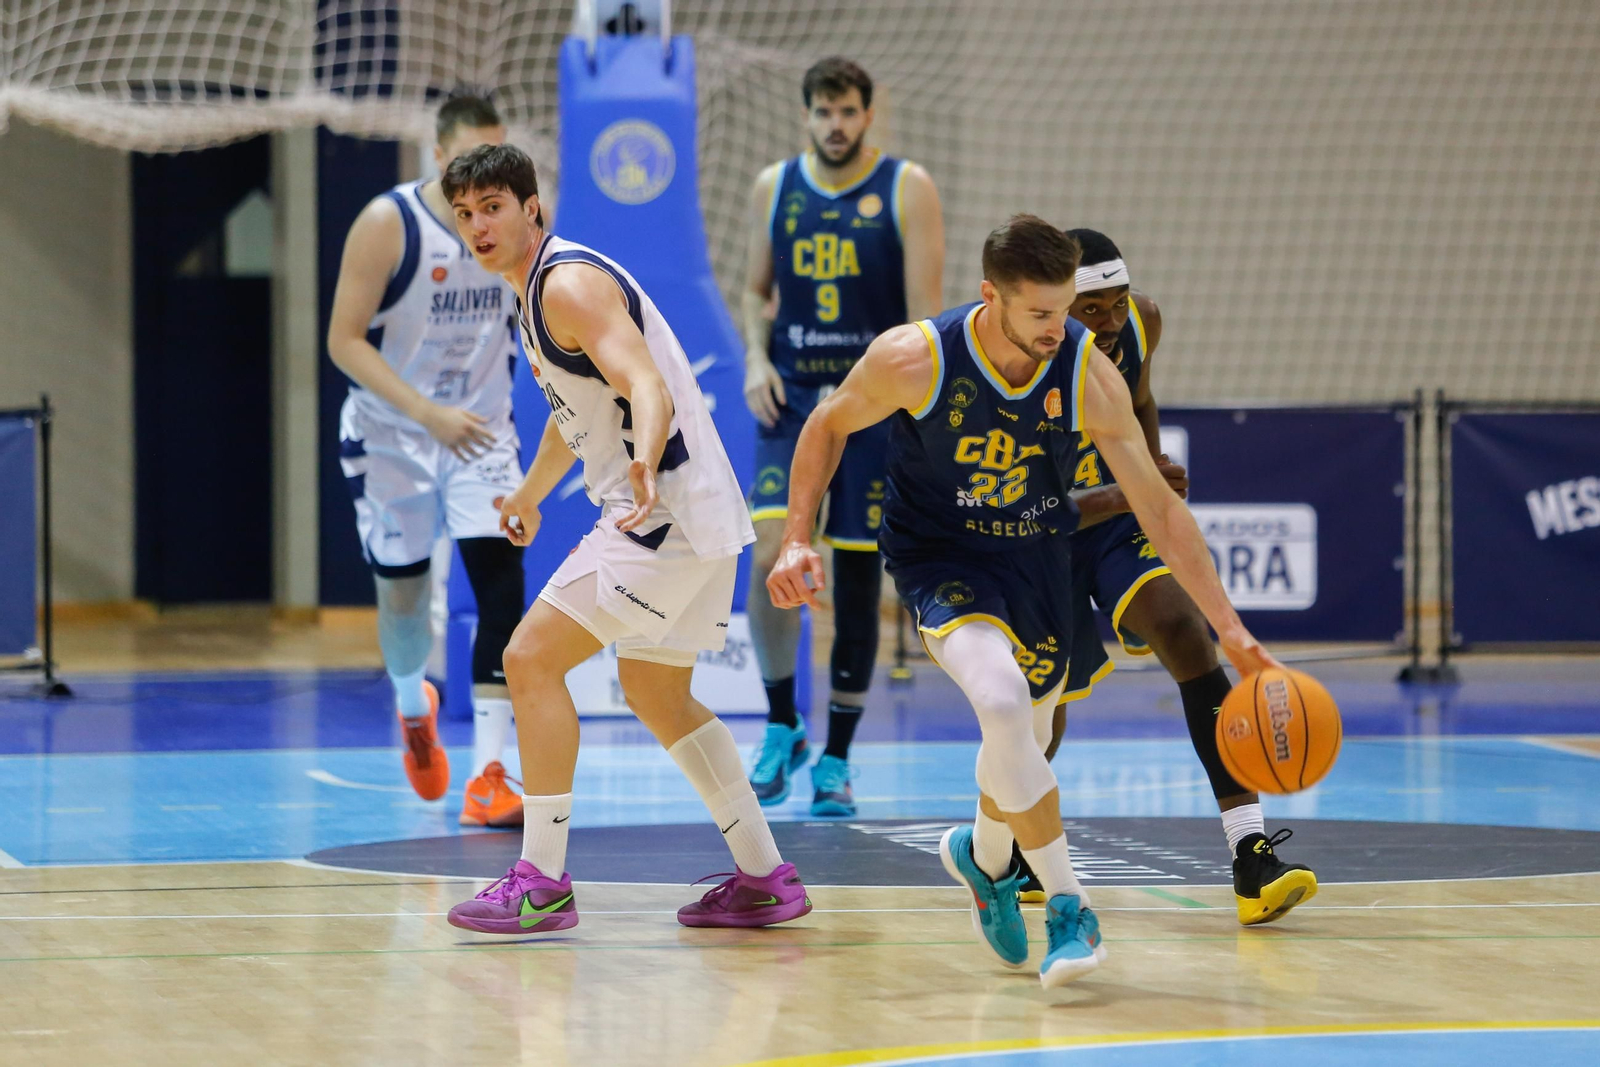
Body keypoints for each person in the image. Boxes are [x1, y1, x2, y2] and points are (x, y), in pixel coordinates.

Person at [767, 216, 1279, 988]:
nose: (1060, 329)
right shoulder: (918, 357)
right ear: (991, 297)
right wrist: (798, 534)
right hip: (941, 556)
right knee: (1004, 706)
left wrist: (1231, 627)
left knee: (1029, 732)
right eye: (1041, 313)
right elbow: (827, 423)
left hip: (1036, 552)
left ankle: (983, 855)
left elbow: (1160, 509)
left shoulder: (1086, 373)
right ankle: (1071, 907)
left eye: (1065, 309)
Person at [439, 143, 812, 934]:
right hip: (697, 512)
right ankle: (765, 876)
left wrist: (642, 459)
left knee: (528, 658)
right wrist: (531, 496)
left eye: (493, 207)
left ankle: (541, 882)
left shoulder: (567, 284)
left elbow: (643, 383)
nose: (479, 225)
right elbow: (576, 410)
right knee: (654, 689)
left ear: (531, 207)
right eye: (465, 213)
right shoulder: (534, 291)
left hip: (663, 510)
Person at [1012, 229, 1317, 925]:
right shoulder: (1027, 364)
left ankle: (1251, 855)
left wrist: (1147, 470)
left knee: (1185, 630)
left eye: (1117, 302)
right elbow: (1024, 500)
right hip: (1043, 536)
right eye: (1094, 309)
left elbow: (1141, 397)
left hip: (1116, 525)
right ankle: (1013, 853)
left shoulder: (1141, 324)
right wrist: (1130, 489)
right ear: (1059, 311)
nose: (1112, 321)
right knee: (1042, 714)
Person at [741, 57, 944, 815]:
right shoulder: (774, 186)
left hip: (870, 409)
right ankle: (781, 720)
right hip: (790, 404)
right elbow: (752, 290)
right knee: (769, 555)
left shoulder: (906, 187)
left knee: (858, 583)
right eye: (823, 112)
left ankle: (835, 758)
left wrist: (912, 407)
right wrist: (756, 358)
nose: (835, 125)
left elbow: (926, 314)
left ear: (868, 114)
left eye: (848, 112)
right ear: (807, 116)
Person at [326, 95, 527, 827]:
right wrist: (426, 413)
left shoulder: (521, 221)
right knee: (404, 603)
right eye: (471, 160)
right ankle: (415, 705)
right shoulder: (388, 224)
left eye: (497, 160)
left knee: (503, 589)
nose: (486, 176)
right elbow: (344, 341)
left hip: (480, 431)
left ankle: (492, 772)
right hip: (395, 435)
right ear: (438, 158)